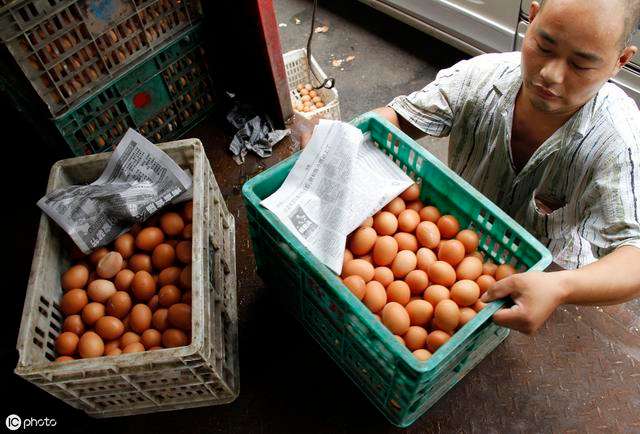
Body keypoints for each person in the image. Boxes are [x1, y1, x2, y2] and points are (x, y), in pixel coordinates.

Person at [370, 0, 640, 334]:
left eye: (581, 65)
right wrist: (344, 136)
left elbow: (634, 258)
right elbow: (398, 119)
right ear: (533, 16)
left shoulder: (617, 140)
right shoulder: (480, 79)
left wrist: (561, 287)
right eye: (544, 45)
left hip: (545, 283)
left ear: (620, 62)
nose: (550, 74)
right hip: (450, 240)